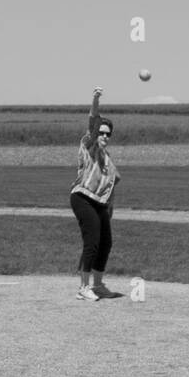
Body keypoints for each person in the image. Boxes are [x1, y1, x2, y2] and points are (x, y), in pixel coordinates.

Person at [70, 87, 122, 300]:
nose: (103, 135)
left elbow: (115, 180)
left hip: (100, 203)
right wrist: (95, 99)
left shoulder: (107, 159)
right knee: (92, 241)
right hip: (82, 197)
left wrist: (110, 205)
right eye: (101, 132)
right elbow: (93, 119)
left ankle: (98, 285)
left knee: (106, 242)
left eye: (107, 134)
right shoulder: (89, 144)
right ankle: (83, 288)